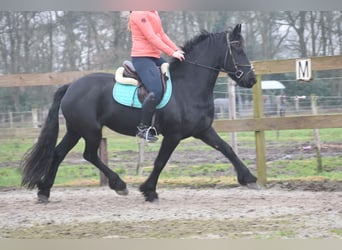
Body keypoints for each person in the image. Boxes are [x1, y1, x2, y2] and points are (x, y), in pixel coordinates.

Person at [128, 11, 185, 142]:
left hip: (155, 57)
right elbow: (151, 37)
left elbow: (161, 35)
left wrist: (176, 50)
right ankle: (143, 128)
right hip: (142, 58)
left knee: (174, 77)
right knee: (157, 90)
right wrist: (171, 52)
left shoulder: (153, 12)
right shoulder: (138, 13)